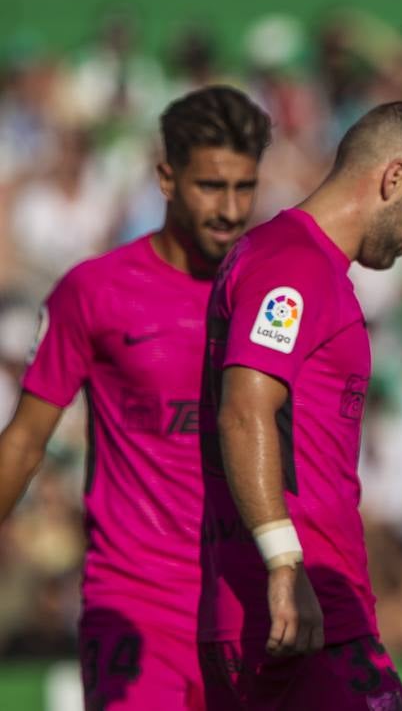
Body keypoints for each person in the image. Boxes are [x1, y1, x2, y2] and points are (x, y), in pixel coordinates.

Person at [0, 86, 272, 710]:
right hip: (134, 604)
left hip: (245, 607)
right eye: (211, 186)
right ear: (166, 178)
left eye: (244, 188)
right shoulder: (93, 292)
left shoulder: (273, 300)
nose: (230, 210)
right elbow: (24, 439)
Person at [197, 101, 402, 710]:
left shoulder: (291, 261)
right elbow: (244, 411)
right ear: (394, 178)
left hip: (285, 601)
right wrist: (286, 564)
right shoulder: (293, 266)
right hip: (300, 603)